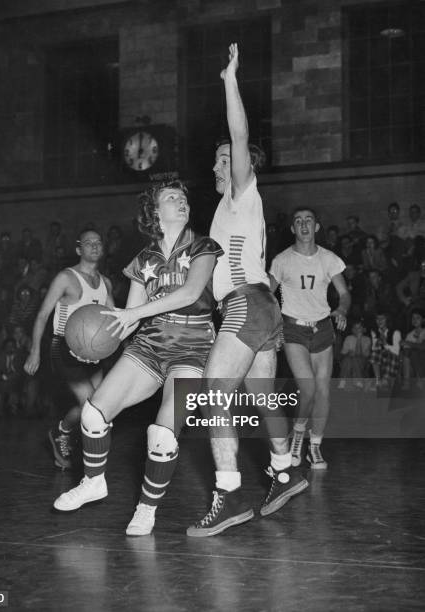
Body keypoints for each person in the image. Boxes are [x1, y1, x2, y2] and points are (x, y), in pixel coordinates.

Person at [52, 179, 223, 537]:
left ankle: (146, 509)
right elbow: (129, 319)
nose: (181, 201)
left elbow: (191, 292)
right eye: (171, 197)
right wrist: (89, 347)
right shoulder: (144, 260)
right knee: (94, 412)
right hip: (150, 343)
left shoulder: (203, 246)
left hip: (193, 347)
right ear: (155, 213)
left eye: (183, 197)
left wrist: (136, 313)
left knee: (162, 432)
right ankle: (94, 481)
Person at [187, 43, 308, 538]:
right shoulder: (228, 212)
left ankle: (229, 491)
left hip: (248, 305)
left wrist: (229, 80)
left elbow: (239, 133)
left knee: (212, 393)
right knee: (259, 393)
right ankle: (285, 472)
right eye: (218, 161)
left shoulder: (243, 189)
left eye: (225, 160)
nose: (219, 166)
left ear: (241, 165)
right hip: (262, 309)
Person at [24, 229, 113, 469]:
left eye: (98, 242)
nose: (94, 246)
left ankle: (61, 430)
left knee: (99, 405)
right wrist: (35, 351)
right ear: (78, 249)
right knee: (91, 405)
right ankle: (90, 464)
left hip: (94, 351)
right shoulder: (66, 277)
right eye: (88, 243)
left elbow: (115, 321)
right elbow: (42, 315)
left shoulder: (106, 283)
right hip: (63, 348)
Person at [269, 208, 350, 469]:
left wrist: (342, 309)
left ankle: (314, 447)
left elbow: (344, 293)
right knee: (308, 388)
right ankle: (298, 436)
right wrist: (271, 327)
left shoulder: (329, 259)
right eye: (298, 221)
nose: (304, 224)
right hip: (293, 329)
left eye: (309, 220)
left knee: (323, 391)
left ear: (316, 227)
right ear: (293, 228)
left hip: (323, 328)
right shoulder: (282, 260)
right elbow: (267, 296)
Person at [369, 312, 402, 391]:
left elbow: (396, 352)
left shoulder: (395, 332)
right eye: (377, 318)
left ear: (387, 320)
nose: (379, 321)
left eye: (382, 318)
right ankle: (377, 380)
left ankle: (385, 380)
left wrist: (385, 343)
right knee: (374, 354)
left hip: (394, 358)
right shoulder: (374, 331)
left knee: (388, 354)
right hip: (381, 357)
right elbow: (374, 349)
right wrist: (378, 344)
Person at [338, 319, 371, 390]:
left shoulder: (367, 339)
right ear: (352, 329)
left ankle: (358, 381)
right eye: (355, 328)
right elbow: (342, 355)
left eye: (359, 328)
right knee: (348, 359)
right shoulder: (348, 338)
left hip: (362, 361)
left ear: (363, 329)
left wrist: (359, 339)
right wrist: (348, 353)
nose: (357, 330)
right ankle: (342, 381)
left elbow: (361, 354)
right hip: (348, 361)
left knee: (356, 358)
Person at [401, 309, 425, 390]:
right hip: (413, 366)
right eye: (413, 318)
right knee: (407, 352)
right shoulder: (409, 335)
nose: (415, 320)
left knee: (415, 352)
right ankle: (407, 382)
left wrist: (409, 343)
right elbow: (406, 352)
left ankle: (419, 380)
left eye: (418, 318)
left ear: (423, 320)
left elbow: (423, 347)